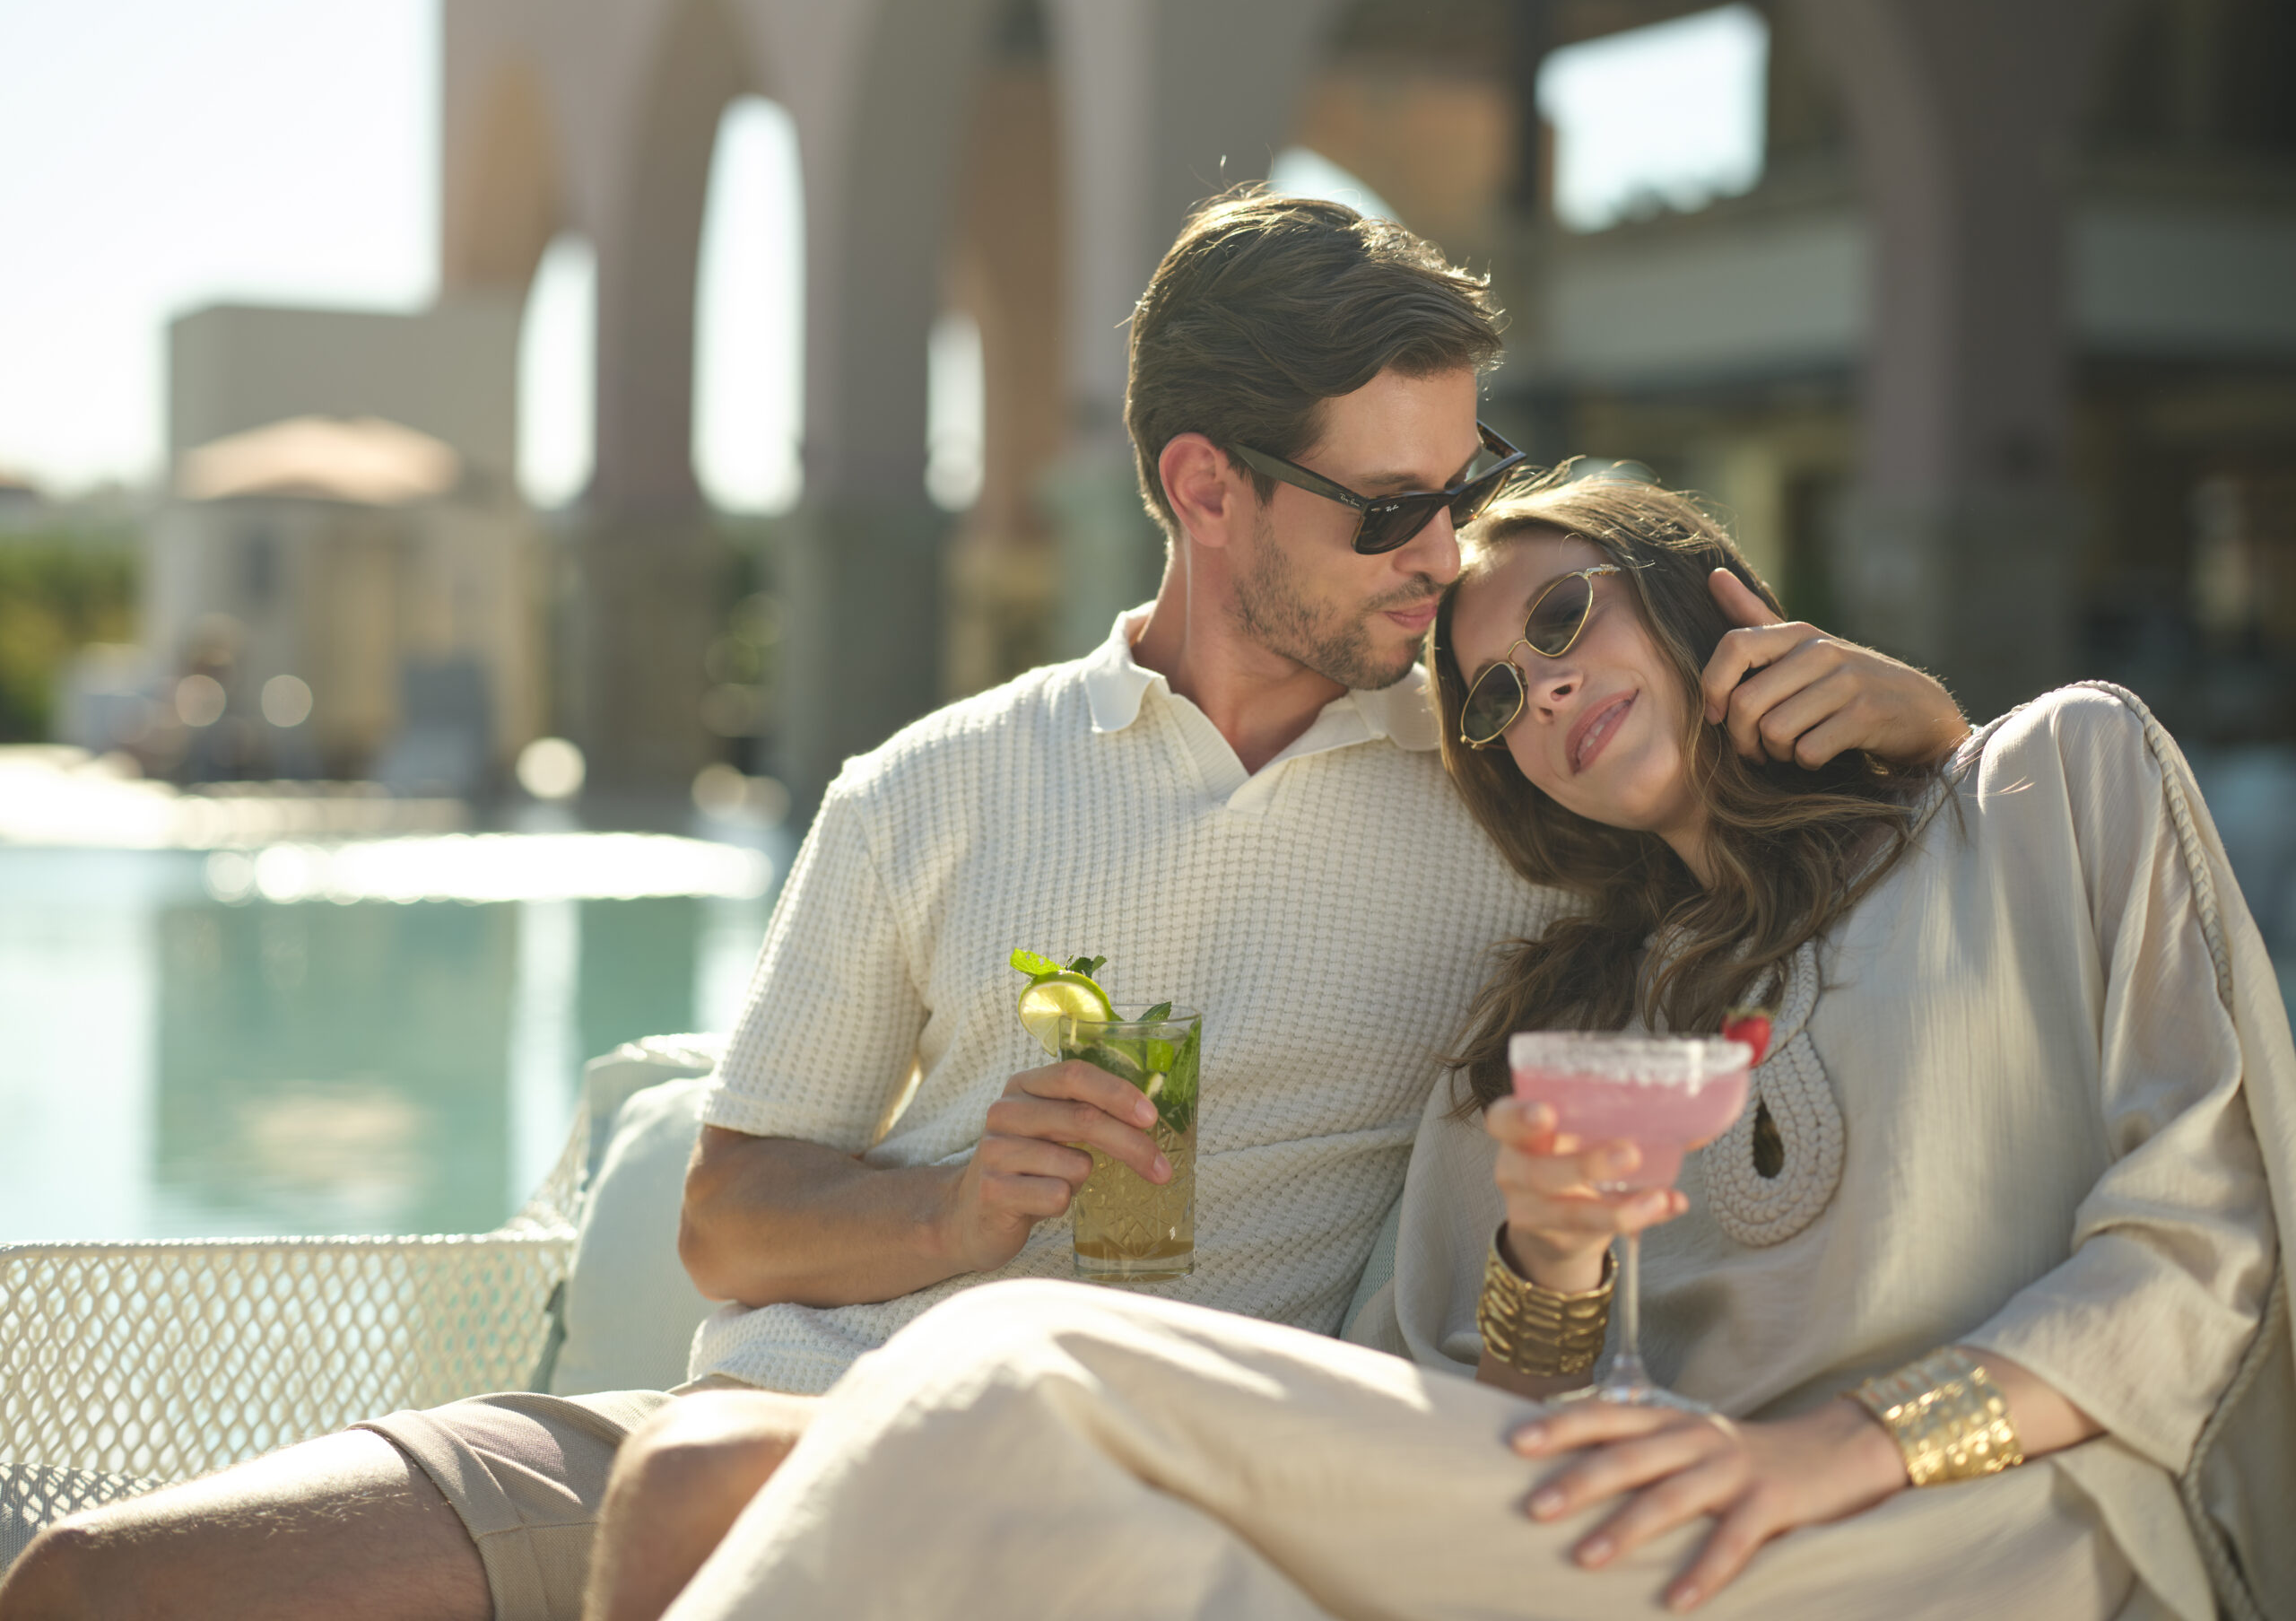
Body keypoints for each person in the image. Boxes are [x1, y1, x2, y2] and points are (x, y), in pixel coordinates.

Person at [0, 199, 1963, 1621]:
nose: (1439, 558)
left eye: (1466, 487)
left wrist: (1922, 722)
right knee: (93, 1580)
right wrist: (951, 1208)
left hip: (1107, 1476)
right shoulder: (928, 786)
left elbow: (1771, 869)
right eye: (1386, 510)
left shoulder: (1492, 786)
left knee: (697, 1497)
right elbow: (724, 1210)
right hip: (738, 1412)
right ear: (1207, 489)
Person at [630, 475, 2295, 1621]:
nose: (1546, 691)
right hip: (1639, 1541)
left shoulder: (2049, 788)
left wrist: (1820, 1457)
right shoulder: (1562, 1026)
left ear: (1704, 593)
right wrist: (1552, 1255)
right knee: (1021, 1454)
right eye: (1494, 697)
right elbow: (1484, 1404)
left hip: (1983, 1539)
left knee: (1004, 1364)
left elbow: (2205, 1250)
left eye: (1568, 619)